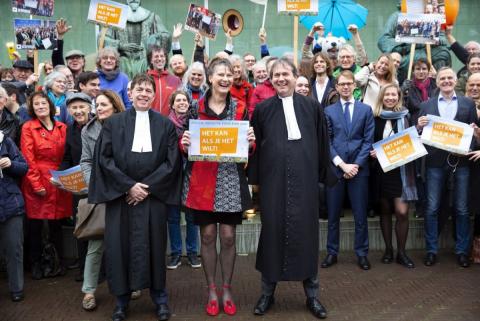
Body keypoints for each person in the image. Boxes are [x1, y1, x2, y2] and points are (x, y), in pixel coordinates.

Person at [89, 74, 181, 321]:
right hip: (122, 197)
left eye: (148, 90)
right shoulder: (113, 123)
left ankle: (160, 299)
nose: (143, 94)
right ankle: (121, 301)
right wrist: (129, 186)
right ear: (130, 94)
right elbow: (104, 159)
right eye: (138, 90)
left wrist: (146, 188)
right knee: (119, 249)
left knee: (156, 246)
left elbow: (171, 163)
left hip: (153, 197)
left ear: (154, 95)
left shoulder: (165, 125)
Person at [249, 58, 334, 319]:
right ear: (270, 79)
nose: (281, 79)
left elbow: (322, 142)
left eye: (286, 74)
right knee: (272, 235)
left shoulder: (311, 106)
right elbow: (254, 147)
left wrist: (324, 175)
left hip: (305, 182)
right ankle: (266, 294)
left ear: (296, 76)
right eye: (276, 75)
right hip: (274, 183)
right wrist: (255, 180)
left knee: (306, 237)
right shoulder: (262, 109)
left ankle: (312, 296)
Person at [180, 58, 255, 317]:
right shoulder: (194, 107)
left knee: (228, 237)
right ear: (209, 78)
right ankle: (211, 289)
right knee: (209, 236)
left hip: (230, 180)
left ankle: (227, 288)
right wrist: (185, 142)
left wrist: (251, 141)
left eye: (229, 75)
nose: (225, 79)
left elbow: (247, 148)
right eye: (220, 74)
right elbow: (183, 142)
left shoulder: (240, 108)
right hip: (202, 182)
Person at [416, 67, 477, 268]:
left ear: (455, 80)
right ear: (438, 81)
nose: (447, 81)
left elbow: (475, 136)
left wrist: (474, 136)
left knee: (461, 208)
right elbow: (420, 134)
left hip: (461, 163)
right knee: (432, 208)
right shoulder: (426, 105)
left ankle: (461, 251)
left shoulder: (468, 104)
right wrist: (418, 125)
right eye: (443, 78)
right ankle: (431, 250)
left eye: (450, 77)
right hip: (435, 162)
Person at [322, 70, 374, 271]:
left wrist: (356, 165)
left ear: (354, 86)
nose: (345, 87)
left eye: (348, 83)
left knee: (360, 215)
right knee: (333, 215)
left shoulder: (366, 110)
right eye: (341, 84)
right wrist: (342, 165)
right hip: (336, 170)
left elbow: (368, 140)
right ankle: (332, 252)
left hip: (359, 171)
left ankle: (362, 253)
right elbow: (326, 141)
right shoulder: (329, 111)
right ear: (336, 87)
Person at [79, 89, 126, 311]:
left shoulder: (128, 126)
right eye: (97, 105)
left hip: (125, 191)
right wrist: (93, 184)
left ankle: (131, 284)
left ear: (115, 106)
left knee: (126, 241)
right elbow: (86, 161)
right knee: (95, 243)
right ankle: (89, 291)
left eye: (104, 105)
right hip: (100, 192)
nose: (99, 109)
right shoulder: (88, 131)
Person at [21, 91, 72, 280]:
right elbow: (28, 158)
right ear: (32, 109)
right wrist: (35, 184)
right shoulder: (28, 127)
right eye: (36, 104)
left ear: (50, 105)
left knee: (56, 224)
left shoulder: (62, 127)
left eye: (43, 103)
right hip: (38, 179)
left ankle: (57, 262)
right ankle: (36, 263)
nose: (40, 106)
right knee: (35, 225)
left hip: (57, 180)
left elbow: (67, 154)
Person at [370, 84, 416, 268]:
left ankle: (402, 253)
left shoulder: (406, 116)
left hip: (401, 171)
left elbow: (412, 141)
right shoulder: (374, 118)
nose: (390, 97)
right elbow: (369, 141)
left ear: (398, 97)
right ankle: (388, 250)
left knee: (402, 212)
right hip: (381, 171)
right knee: (386, 210)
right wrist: (372, 151)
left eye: (393, 94)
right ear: (382, 97)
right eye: (387, 94)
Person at [56, 93, 92, 282]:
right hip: (79, 187)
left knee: (101, 226)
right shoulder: (70, 130)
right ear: (69, 111)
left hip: (98, 184)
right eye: (74, 108)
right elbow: (67, 158)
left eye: (81, 107)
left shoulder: (99, 126)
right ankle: (83, 268)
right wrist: (59, 176)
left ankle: (102, 269)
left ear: (89, 107)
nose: (78, 111)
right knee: (81, 227)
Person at [165, 90, 200, 270]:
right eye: (177, 100)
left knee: (192, 217)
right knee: (173, 217)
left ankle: (193, 252)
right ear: (172, 104)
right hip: (172, 175)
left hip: (191, 174)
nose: (181, 103)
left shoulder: (196, 123)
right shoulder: (165, 124)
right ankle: (176, 254)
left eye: (184, 100)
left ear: (189, 103)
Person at [104, 0, 172, 79]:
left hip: (145, 59)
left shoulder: (152, 17)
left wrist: (153, 39)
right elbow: (104, 39)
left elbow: (165, 35)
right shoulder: (116, 17)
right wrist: (120, 46)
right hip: (123, 59)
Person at [0, 115, 28, 302]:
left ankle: (17, 288)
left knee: (14, 248)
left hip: (10, 203)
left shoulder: (6, 141)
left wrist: (11, 164)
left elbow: (23, 167)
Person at [147, 45, 182, 116]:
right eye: (156, 56)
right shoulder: (145, 79)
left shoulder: (175, 80)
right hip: (149, 122)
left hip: (170, 123)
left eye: (162, 56)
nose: (159, 59)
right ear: (151, 60)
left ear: (165, 59)